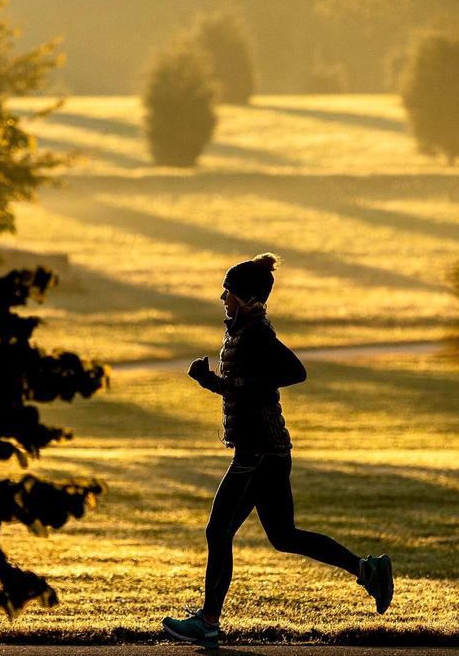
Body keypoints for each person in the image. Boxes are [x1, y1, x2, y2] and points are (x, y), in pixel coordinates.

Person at [161, 253, 393, 648]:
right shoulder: (242, 331)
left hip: (257, 452)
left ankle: (209, 621)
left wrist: (225, 381)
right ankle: (367, 570)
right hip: (268, 449)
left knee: (218, 531)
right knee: (283, 536)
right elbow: (246, 387)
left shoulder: (256, 334)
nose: (222, 296)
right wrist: (210, 382)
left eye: (228, 291)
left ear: (243, 296)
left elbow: (293, 372)